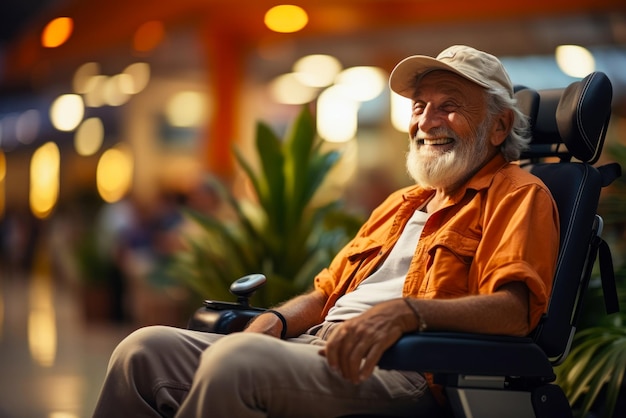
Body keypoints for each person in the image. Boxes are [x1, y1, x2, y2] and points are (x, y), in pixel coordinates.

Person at [92, 45, 559, 418]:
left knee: (234, 366)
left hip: (403, 366)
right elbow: (324, 293)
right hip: (318, 344)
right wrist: (274, 321)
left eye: (449, 107)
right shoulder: (402, 202)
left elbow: (515, 310)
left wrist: (405, 313)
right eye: (420, 106)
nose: (426, 121)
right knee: (142, 351)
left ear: (499, 126)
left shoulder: (517, 194)